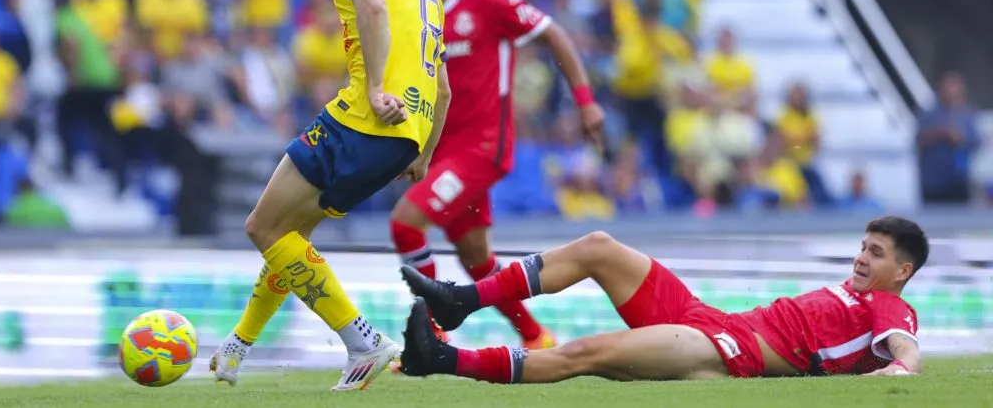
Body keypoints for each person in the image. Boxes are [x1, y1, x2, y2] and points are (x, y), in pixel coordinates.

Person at [210, 0, 452, 392]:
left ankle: (362, 340)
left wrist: (377, 90)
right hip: (406, 132)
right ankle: (238, 347)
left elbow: (372, 5)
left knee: (262, 227)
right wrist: (423, 151)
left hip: (367, 117)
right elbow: (444, 84)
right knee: (288, 238)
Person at [389, 0, 605, 353]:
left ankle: (433, 334)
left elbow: (555, 35)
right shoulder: (412, 11)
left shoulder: (489, 1)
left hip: (483, 147)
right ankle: (536, 336)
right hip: (440, 152)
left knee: (405, 224)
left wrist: (584, 100)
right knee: (477, 261)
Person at [398, 216, 928, 383]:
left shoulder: (887, 306)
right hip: (712, 319)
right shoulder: (858, 291)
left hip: (725, 349)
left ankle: (440, 359)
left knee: (591, 352)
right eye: (862, 247)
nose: (861, 258)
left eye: (876, 253)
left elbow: (906, 351)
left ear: (901, 271)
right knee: (598, 248)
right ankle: (460, 301)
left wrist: (896, 373)